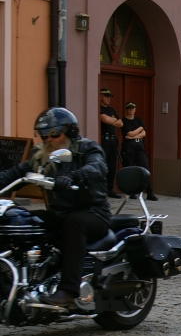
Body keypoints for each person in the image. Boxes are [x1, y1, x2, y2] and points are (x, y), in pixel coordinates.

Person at [0, 108, 110, 307]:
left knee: (74, 223)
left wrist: (73, 177)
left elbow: (97, 167)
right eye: (44, 135)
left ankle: (68, 291)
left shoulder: (87, 148)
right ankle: (29, 278)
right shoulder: (41, 155)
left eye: (54, 134)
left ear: (70, 131)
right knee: (19, 220)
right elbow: (16, 173)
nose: (48, 139)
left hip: (92, 213)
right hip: (59, 214)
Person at [120, 102, 158, 201]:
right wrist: (139, 130)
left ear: (135, 109)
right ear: (126, 109)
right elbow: (129, 133)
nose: (131, 110)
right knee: (130, 168)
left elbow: (143, 133)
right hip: (129, 146)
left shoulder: (138, 120)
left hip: (139, 145)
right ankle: (132, 192)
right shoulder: (124, 121)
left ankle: (149, 192)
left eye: (133, 108)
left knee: (145, 167)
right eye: (129, 108)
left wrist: (134, 134)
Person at [99, 88, 122, 198]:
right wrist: (113, 120)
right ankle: (101, 189)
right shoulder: (99, 108)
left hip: (113, 140)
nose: (109, 99)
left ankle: (110, 189)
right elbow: (105, 120)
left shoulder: (111, 110)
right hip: (104, 140)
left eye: (109, 97)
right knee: (102, 165)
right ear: (100, 97)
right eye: (106, 96)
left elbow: (120, 123)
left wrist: (110, 120)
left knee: (112, 166)